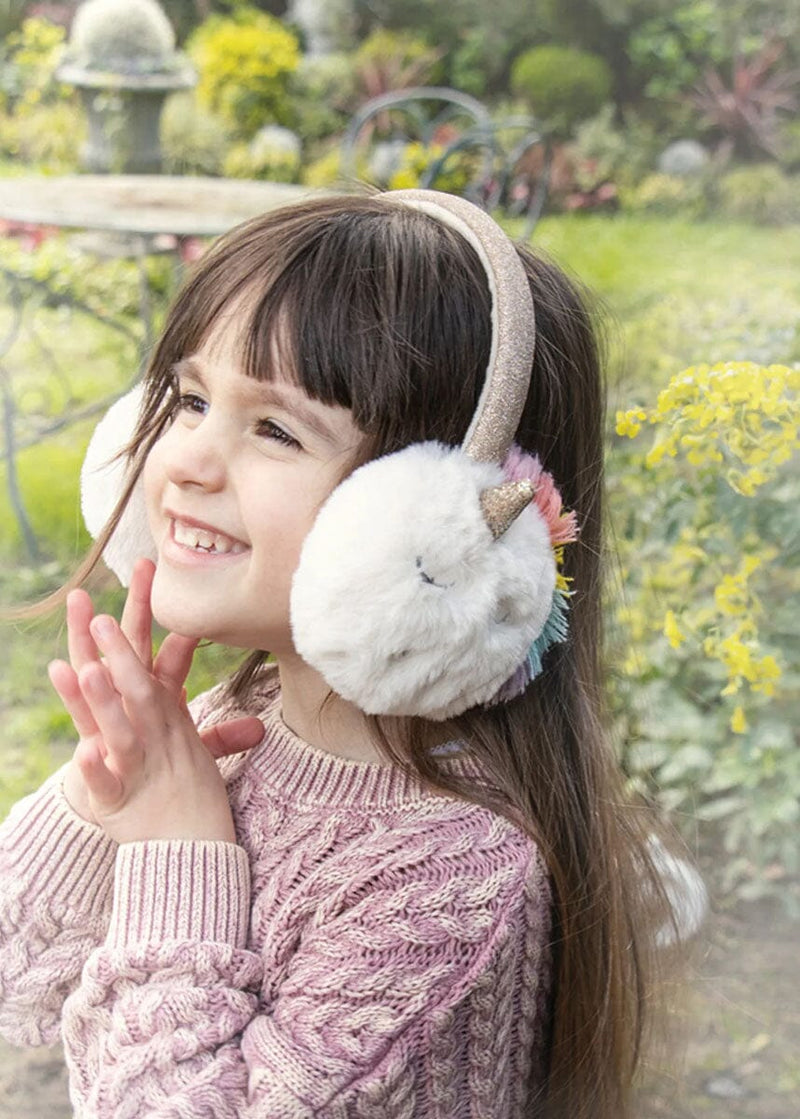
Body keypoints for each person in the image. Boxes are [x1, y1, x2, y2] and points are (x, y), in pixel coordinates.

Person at [0, 190, 701, 1118]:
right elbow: (16, 974)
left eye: (276, 429)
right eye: (193, 398)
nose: (183, 462)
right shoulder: (239, 726)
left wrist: (178, 848)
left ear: (434, 535)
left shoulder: (455, 879)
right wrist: (105, 801)